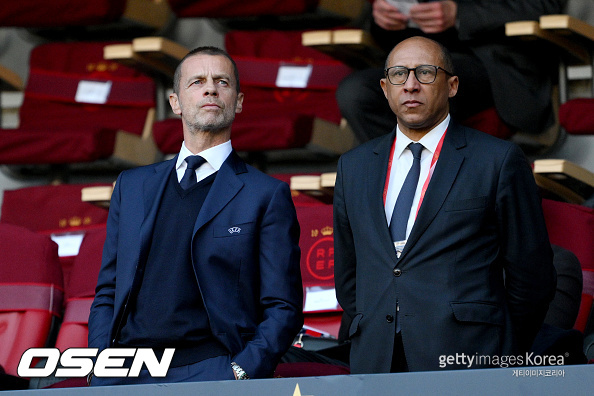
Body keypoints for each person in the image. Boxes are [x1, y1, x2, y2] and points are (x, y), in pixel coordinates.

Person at [333, 36, 556, 373]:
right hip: (376, 358)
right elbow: (348, 274)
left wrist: (500, 349)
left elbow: (532, 277)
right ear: (384, 87)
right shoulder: (354, 166)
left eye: (424, 73)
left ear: (451, 85)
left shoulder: (497, 160)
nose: (410, 85)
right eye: (398, 75)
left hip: (467, 358)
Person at [88, 46, 303, 385]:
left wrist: (241, 370)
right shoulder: (132, 185)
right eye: (197, 81)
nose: (210, 89)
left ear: (239, 101)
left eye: (222, 81)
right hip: (125, 370)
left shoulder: (265, 194)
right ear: (175, 102)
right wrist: (99, 364)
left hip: (210, 370)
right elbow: (108, 289)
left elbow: (283, 305)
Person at [336, 0, 567, 143]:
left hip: (493, 63)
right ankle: (399, 180)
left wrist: (459, 14)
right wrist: (383, 18)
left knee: (428, 81)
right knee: (355, 92)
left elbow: (544, 4)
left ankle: (435, 183)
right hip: (419, 55)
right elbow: (389, 35)